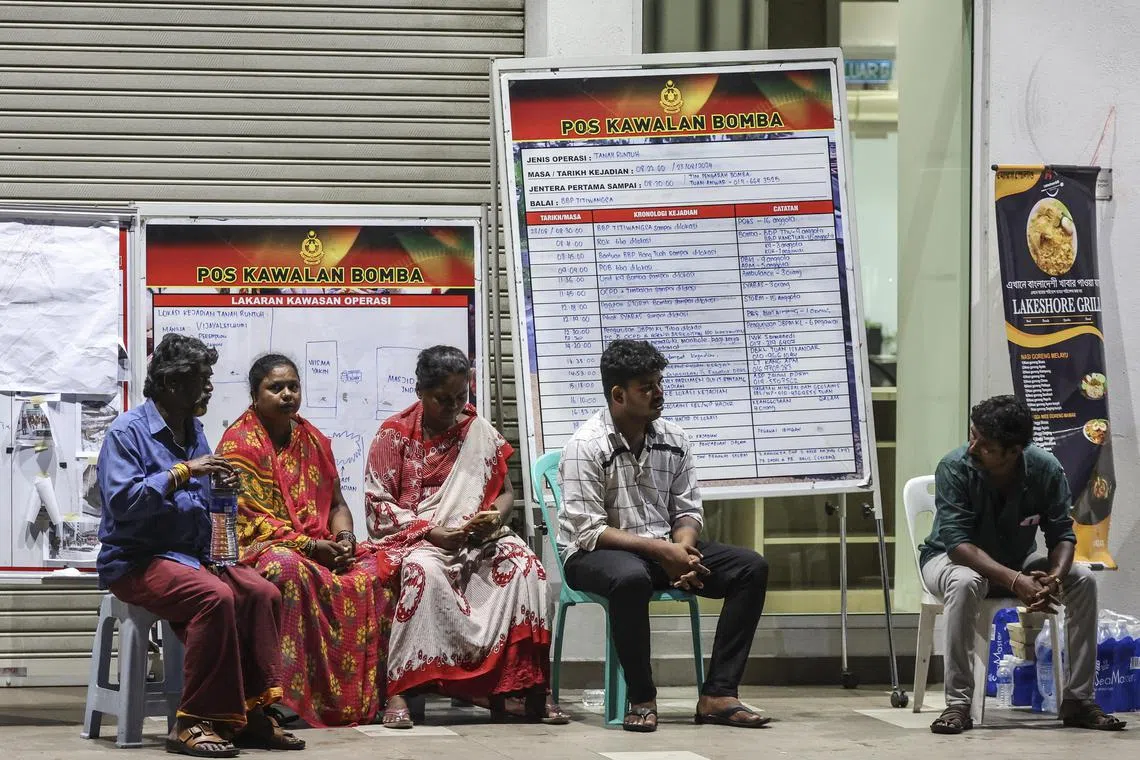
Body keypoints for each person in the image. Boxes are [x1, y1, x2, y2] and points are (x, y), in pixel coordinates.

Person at [97, 334, 304, 757]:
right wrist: (182, 471)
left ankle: (248, 715)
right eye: (201, 380)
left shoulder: (195, 431)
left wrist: (221, 491)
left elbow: (202, 500)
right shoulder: (127, 433)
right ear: (173, 385)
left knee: (261, 592)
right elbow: (122, 503)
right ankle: (192, 723)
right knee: (214, 598)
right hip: (137, 560)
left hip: (190, 555)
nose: (209, 387)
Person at [557, 340, 771, 732]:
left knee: (749, 568)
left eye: (659, 382)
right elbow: (589, 530)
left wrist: (683, 552)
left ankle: (718, 693)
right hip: (593, 554)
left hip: (661, 548)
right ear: (618, 395)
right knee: (630, 578)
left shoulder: (675, 438)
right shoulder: (585, 446)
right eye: (647, 387)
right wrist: (665, 553)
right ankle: (641, 697)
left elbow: (687, 511)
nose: (659, 393)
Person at [364, 345, 567, 728]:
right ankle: (401, 689)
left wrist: (495, 518)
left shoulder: (478, 429)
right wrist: (434, 532)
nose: (454, 407)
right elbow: (377, 506)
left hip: (477, 537)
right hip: (419, 538)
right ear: (420, 390)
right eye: (444, 399)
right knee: (424, 574)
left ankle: (524, 688)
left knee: (528, 569)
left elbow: (505, 492)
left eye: (462, 397)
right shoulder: (393, 435)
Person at [920, 395, 1126, 734]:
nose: (972, 447)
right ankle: (958, 704)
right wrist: (1017, 581)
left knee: (1084, 579)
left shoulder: (1044, 469)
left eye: (984, 444)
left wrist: (1054, 579)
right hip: (947, 559)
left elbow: (1062, 534)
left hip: (1017, 558)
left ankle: (1079, 700)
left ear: (1013, 451)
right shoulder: (954, 467)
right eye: (972, 435)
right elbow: (958, 546)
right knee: (964, 581)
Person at [216, 354, 395, 727]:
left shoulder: (312, 438)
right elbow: (248, 519)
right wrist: (311, 547)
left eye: (293, 386)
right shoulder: (239, 443)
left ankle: (374, 696)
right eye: (275, 387)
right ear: (254, 394)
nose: (287, 394)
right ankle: (284, 699)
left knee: (379, 571)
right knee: (288, 569)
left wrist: (345, 538)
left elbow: (338, 504)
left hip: (320, 544)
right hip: (258, 548)